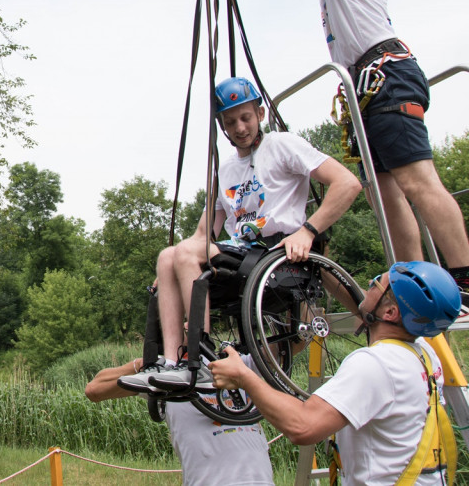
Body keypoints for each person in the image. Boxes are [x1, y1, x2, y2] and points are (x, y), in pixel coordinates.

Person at [215, 0, 469, 306]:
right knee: (383, 190)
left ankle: (463, 275)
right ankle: (413, 279)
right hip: (364, 85)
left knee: (416, 180)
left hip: (387, 73)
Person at [118, 76, 361, 392]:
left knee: (187, 254)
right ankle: (168, 362)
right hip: (240, 253)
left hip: (274, 252)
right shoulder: (227, 170)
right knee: (168, 256)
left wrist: (308, 231)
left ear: (260, 114)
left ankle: (199, 361)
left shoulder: (282, 145)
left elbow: (348, 183)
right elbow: (204, 233)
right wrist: (169, 276)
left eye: (246, 117)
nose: (240, 127)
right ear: (222, 125)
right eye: (230, 122)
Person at [209, 261, 461, 485]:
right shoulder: (423, 352)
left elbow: (303, 426)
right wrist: (316, 261)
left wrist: (243, 377)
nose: (369, 285)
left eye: (376, 284)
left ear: (391, 313)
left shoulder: (376, 364)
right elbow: (365, 305)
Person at [87, 357, 274, 486]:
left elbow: (294, 342)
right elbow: (94, 390)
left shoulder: (237, 363)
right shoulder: (166, 376)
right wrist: (143, 363)